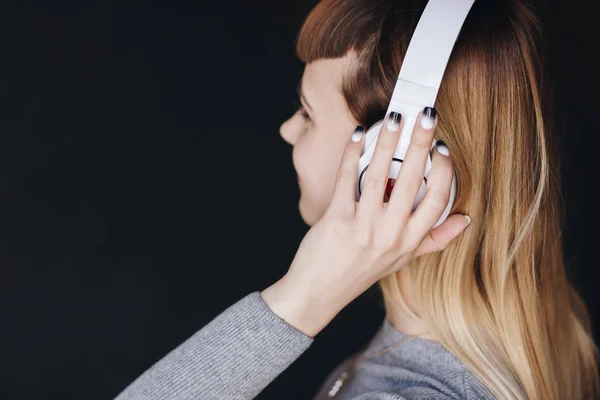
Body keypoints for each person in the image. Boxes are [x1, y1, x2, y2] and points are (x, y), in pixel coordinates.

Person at [113, 0, 600, 399]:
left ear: (396, 169)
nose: (287, 129)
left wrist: (297, 302)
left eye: (307, 113)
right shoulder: (538, 333)